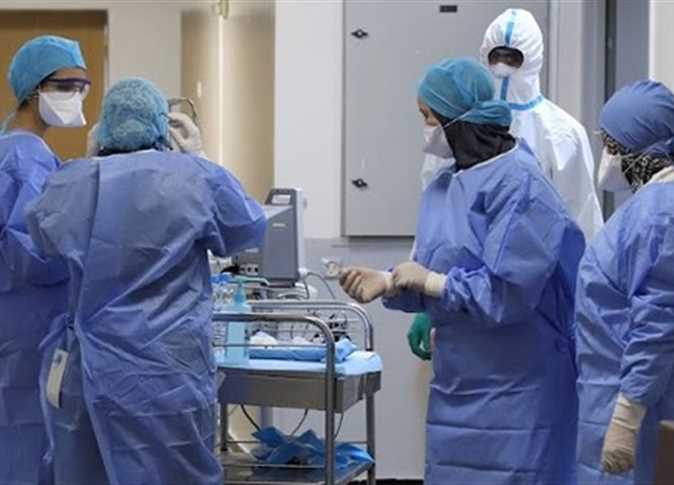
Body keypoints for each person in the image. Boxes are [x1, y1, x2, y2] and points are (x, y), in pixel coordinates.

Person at [340, 57, 584, 484]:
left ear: (457, 121)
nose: (424, 129)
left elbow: (507, 294)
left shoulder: (521, 185)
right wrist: (390, 281)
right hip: (458, 384)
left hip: (520, 386)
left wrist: (433, 282)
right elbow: (435, 270)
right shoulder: (445, 185)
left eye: (428, 117)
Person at [25, 78, 267, 485]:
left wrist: (85, 166)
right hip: (166, 375)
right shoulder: (196, 178)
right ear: (163, 127)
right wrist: (201, 158)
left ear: (104, 128)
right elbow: (246, 229)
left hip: (89, 371)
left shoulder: (73, 181)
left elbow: (42, 237)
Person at [0, 35, 89, 485]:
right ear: (33, 89)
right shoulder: (25, 157)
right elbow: (33, 254)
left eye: (82, 87)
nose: (76, 96)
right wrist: (86, 258)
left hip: (17, 321)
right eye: (66, 86)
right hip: (28, 328)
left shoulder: (16, 150)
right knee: (26, 438)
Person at [575, 80, 674, 485]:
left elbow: (658, 322)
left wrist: (627, 417)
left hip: (634, 406)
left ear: (640, 149)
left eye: (611, 145)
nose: (607, 156)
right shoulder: (648, 207)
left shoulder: (659, 213)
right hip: (613, 390)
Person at [481, 8, 603, 241]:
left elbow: (582, 214)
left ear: (532, 59)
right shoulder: (465, 125)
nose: (502, 67)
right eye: (496, 57)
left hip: (539, 258)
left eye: (512, 59)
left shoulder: (564, 133)